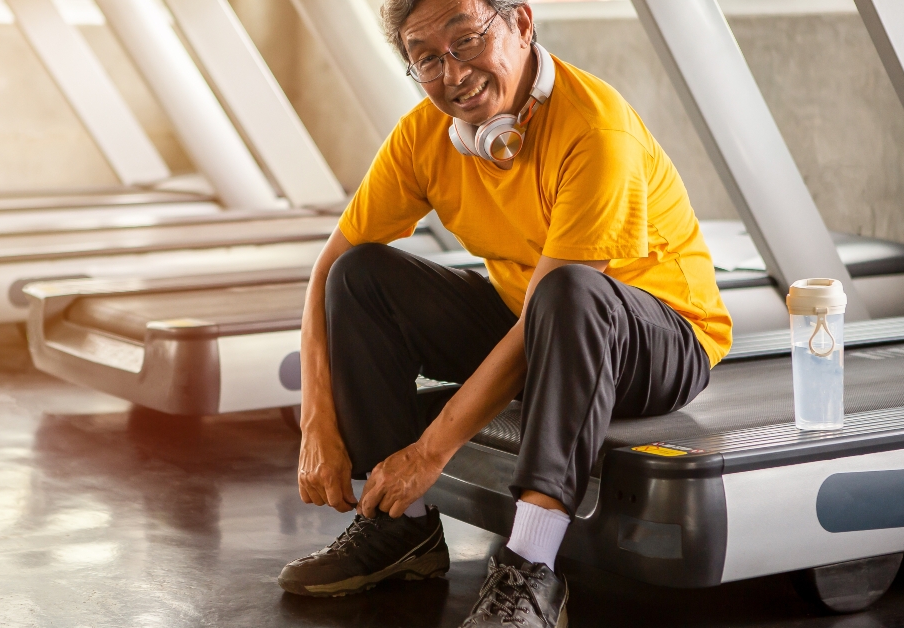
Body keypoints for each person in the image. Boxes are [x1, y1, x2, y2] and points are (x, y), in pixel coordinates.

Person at [278, 0, 732, 625]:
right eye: (427, 58)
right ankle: (400, 531)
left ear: (521, 23)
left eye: (466, 41)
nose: (454, 73)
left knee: (567, 290)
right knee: (360, 277)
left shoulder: (594, 128)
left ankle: (533, 565)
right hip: (537, 312)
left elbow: (564, 300)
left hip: (658, 338)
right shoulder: (423, 138)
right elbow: (328, 269)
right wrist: (315, 421)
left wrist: (429, 451)